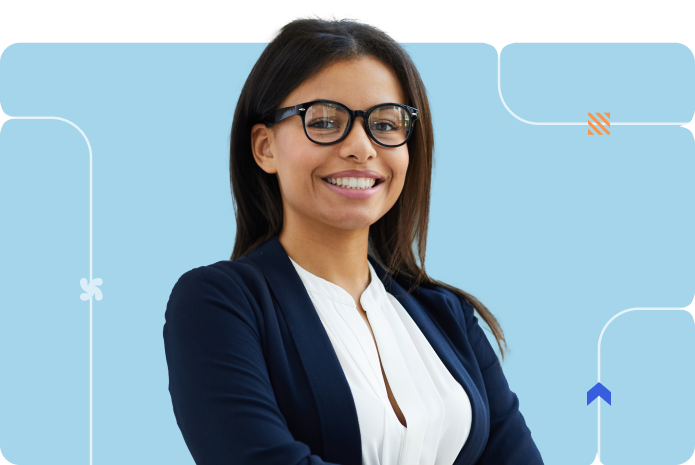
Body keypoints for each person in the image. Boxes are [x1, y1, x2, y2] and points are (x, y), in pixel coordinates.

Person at [163, 14, 544, 465]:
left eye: (385, 124)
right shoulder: (218, 305)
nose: (361, 147)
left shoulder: (448, 315)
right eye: (324, 121)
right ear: (265, 147)